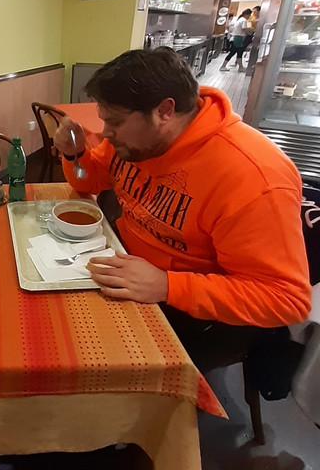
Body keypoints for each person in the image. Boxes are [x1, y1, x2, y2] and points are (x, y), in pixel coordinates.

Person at [53, 48, 311, 371]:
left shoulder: (254, 177)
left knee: (88, 363)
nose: (105, 133)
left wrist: (167, 285)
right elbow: (89, 181)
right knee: (53, 322)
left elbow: (286, 300)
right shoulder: (135, 141)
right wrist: (75, 154)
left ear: (165, 110)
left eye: (115, 122)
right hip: (125, 263)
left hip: (193, 312)